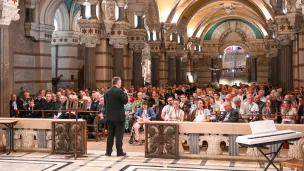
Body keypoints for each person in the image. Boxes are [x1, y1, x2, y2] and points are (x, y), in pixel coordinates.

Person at [104, 77, 128, 157]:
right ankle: (119, 152)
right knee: (119, 135)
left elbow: (105, 104)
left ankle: (108, 152)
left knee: (110, 135)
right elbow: (125, 101)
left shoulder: (106, 92)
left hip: (109, 117)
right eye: (120, 82)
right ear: (118, 83)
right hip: (118, 117)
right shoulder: (119, 91)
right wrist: (126, 93)